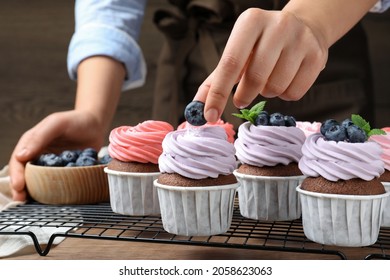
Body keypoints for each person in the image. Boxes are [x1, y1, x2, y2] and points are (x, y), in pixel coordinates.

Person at [8, 0, 390, 202]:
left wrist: (314, 21)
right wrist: (92, 111)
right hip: (196, 68)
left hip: (327, 56)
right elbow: (109, 7)